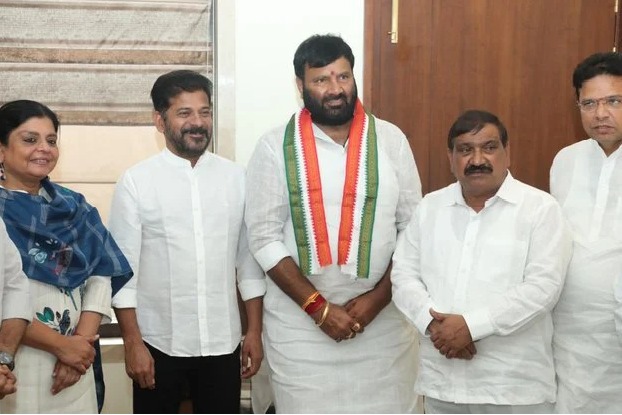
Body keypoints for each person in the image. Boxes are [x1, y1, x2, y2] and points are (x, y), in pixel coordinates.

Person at [244, 34, 422, 413]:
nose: (335, 89)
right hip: (300, 330)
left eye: (343, 76)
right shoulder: (274, 146)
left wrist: (377, 300)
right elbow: (263, 238)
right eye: (321, 80)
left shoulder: (390, 140)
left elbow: (413, 231)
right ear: (300, 86)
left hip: (383, 327)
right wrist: (319, 309)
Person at [391, 110, 571, 413]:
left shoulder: (540, 209)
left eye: (489, 147)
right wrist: (434, 325)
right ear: (450, 158)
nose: (477, 159)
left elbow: (543, 288)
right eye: (465, 150)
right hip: (442, 384)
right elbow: (403, 275)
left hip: (512, 388)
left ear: (507, 152)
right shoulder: (430, 208)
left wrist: (471, 327)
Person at [109, 69, 265, 414]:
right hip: (158, 345)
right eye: (185, 113)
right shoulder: (137, 182)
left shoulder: (237, 178)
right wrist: (132, 343)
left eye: (204, 112)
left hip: (223, 343)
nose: (197, 122)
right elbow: (122, 273)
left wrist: (254, 331)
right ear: (160, 120)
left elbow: (249, 264)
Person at [0, 99, 133, 413]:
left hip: (76, 369)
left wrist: (80, 347)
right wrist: (61, 345)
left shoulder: (76, 207)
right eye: (30, 139)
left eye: (51, 140)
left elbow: (102, 272)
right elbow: (7, 296)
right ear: (1, 150)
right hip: (15, 364)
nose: (44, 149)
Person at [550, 51, 622, 413]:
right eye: (589, 103)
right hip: (568, 331)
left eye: (614, 101)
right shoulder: (566, 159)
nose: (600, 114)